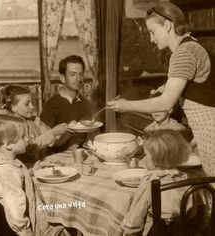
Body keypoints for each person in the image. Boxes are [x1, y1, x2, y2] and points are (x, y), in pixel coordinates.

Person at [108, 1, 215, 177]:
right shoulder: (191, 45)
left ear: (167, 25)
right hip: (207, 131)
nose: (151, 39)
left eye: (152, 31)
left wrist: (126, 105)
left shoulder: (184, 52)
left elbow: (165, 103)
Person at [121, 129, 197, 236]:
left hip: (158, 231)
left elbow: (135, 218)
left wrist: (128, 232)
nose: (145, 159)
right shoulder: (184, 178)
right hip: (183, 231)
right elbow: (192, 212)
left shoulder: (151, 182)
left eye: (146, 155)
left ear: (156, 161)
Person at [0, 114, 35, 236]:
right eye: (23, 136)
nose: (27, 139)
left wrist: (30, 172)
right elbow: (14, 206)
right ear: (8, 144)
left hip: (0, 216)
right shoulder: (8, 172)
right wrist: (24, 231)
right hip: (13, 226)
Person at [2, 84, 68, 166]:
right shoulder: (11, 126)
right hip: (24, 169)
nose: (32, 107)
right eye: (27, 104)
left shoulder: (35, 120)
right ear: (13, 107)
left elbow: (52, 142)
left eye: (32, 103)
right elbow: (27, 149)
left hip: (42, 164)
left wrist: (67, 130)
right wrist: (53, 133)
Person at [40, 55, 93, 150]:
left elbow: (91, 134)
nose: (78, 79)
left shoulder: (86, 104)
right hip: (57, 157)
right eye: (73, 74)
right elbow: (44, 141)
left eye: (81, 74)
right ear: (62, 78)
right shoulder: (51, 105)